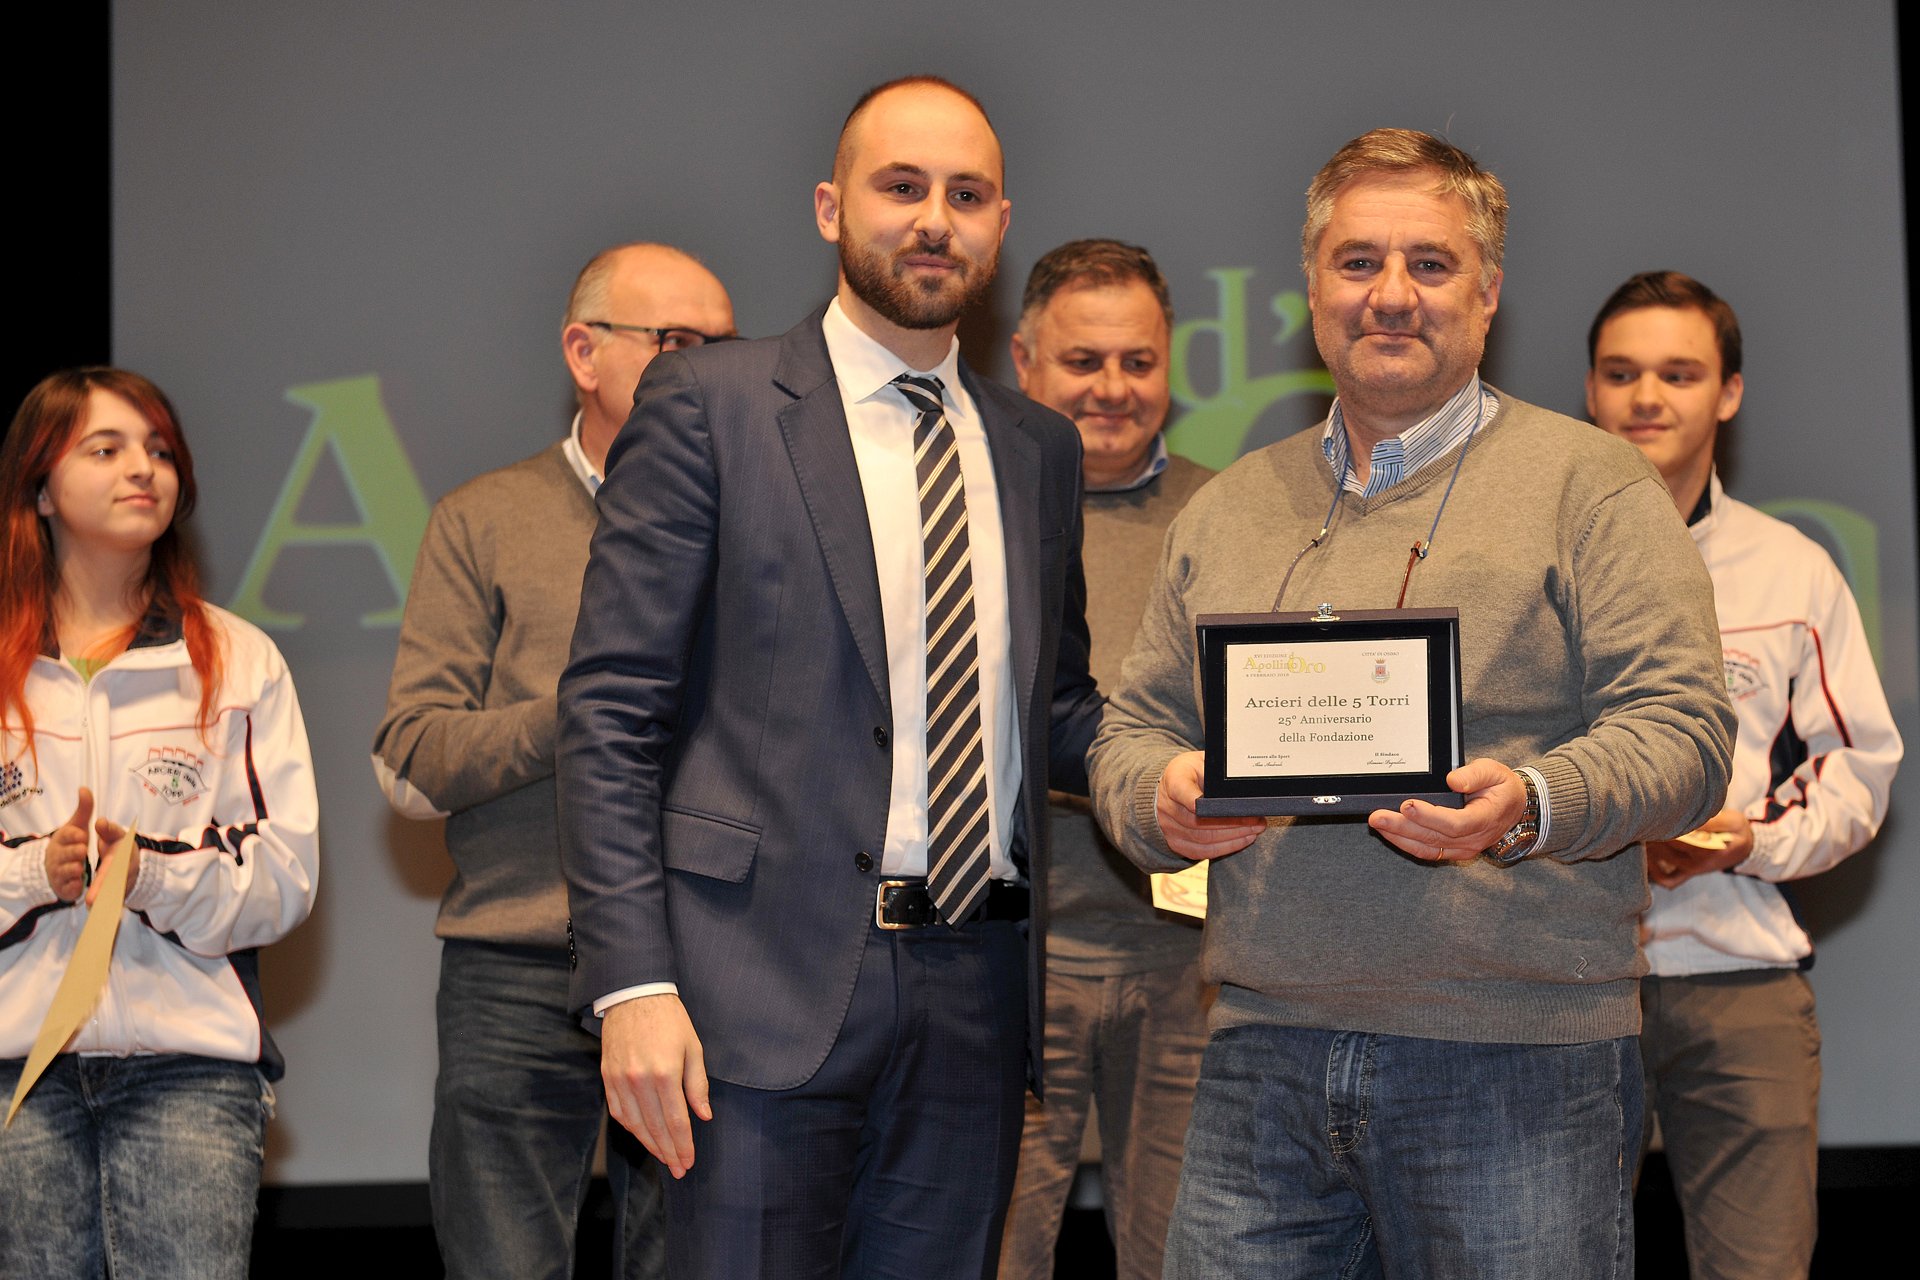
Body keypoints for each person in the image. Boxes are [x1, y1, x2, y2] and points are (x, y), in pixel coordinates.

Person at [1087, 129, 1736, 1278]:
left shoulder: (1593, 486)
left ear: (1488, 293)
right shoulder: (1228, 508)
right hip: (1259, 1048)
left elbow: (1685, 731)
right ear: (1312, 286)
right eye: (1358, 262)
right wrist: (1160, 794)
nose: (1391, 294)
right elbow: (1132, 732)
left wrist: (1532, 799)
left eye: (1430, 264)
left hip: (1516, 1057)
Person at [556, 76, 1102, 1279]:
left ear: (1001, 225)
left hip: (976, 996)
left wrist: (1175, 773)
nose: (934, 220)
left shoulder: (1038, 448)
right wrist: (631, 983)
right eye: (901, 187)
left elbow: (1055, 707)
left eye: (966, 195)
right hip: (749, 993)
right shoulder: (709, 405)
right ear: (829, 206)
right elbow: (610, 714)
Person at [372, 242, 733, 1278]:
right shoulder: (483, 518)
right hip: (518, 960)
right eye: (676, 343)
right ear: (584, 353)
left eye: (724, 349)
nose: (708, 371)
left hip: (709, 954)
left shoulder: (763, 516)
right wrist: (583, 712)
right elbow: (410, 761)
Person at [1586, 270, 1901, 1280]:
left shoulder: (1791, 566)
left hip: (1740, 978)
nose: (1647, 397)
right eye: (1622, 373)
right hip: (1563, 983)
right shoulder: (1531, 564)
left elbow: (1859, 766)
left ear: (1728, 392)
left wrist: (1750, 840)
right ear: (1589, 390)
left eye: (1679, 374)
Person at [0, 368, 320, 1278]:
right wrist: (35, 872)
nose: (143, 469)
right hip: (17, 1070)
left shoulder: (238, 659)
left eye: (160, 451)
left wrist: (147, 873)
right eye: (106, 450)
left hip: (189, 1069)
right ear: (40, 487)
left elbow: (286, 875)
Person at [997, 239, 1213, 1280]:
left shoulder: (1234, 514)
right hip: (1007, 956)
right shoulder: (972, 509)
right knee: (994, 1251)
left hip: (1190, 962)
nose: (1113, 388)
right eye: (1084, 361)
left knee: (1184, 1256)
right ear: (1024, 360)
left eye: (1139, 361)